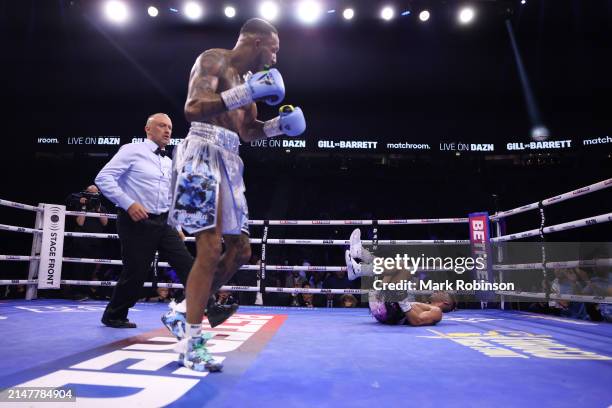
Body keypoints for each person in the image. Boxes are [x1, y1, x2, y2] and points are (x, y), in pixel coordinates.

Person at [168, 18, 306, 372]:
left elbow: (247, 132)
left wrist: (278, 127)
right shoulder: (214, 59)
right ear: (258, 42)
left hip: (231, 159)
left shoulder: (250, 85)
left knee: (241, 251)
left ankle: (184, 310)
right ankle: (192, 342)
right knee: (210, 246)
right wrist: (245, 93)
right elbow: (193, 108)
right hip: (200, 151)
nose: (275, 59)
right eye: (273, 49)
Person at [95, 113, 195, 329]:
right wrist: (128, 203)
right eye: (161, 126)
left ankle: (211, 307)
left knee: (187, 263)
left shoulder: (168, 162)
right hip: (135, 222)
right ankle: (114, 315)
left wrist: (177, 226)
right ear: (148, 129)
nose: (167, 130)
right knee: (136, 272)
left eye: (169, 127)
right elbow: (103, 178)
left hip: (163, 222)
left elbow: (169, 196)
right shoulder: (133, 150)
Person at [345, 229, 454, 326]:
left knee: (402, 266)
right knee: (398, 266)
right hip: (384, 306)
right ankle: (360, 260)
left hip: (390, 311)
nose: (439, 290)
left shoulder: (437, 311)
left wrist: (401, 298)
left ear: (446, 302)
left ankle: (360, 262)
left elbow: (417, 321)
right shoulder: (426, 305)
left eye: (443, 292)